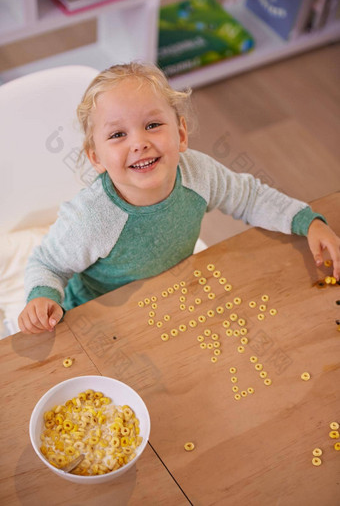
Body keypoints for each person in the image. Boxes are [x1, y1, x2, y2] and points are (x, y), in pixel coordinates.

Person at [18, 62, 340, 334]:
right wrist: (42, 297)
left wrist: (306, 220)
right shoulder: (92, 217)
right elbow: (47, 263)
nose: (139, 142)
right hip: (97, 317)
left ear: (181, 134)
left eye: (153, 125)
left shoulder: (199, 173)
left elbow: (250, 197)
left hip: (171, 299)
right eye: (118, 135)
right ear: (97, 158)